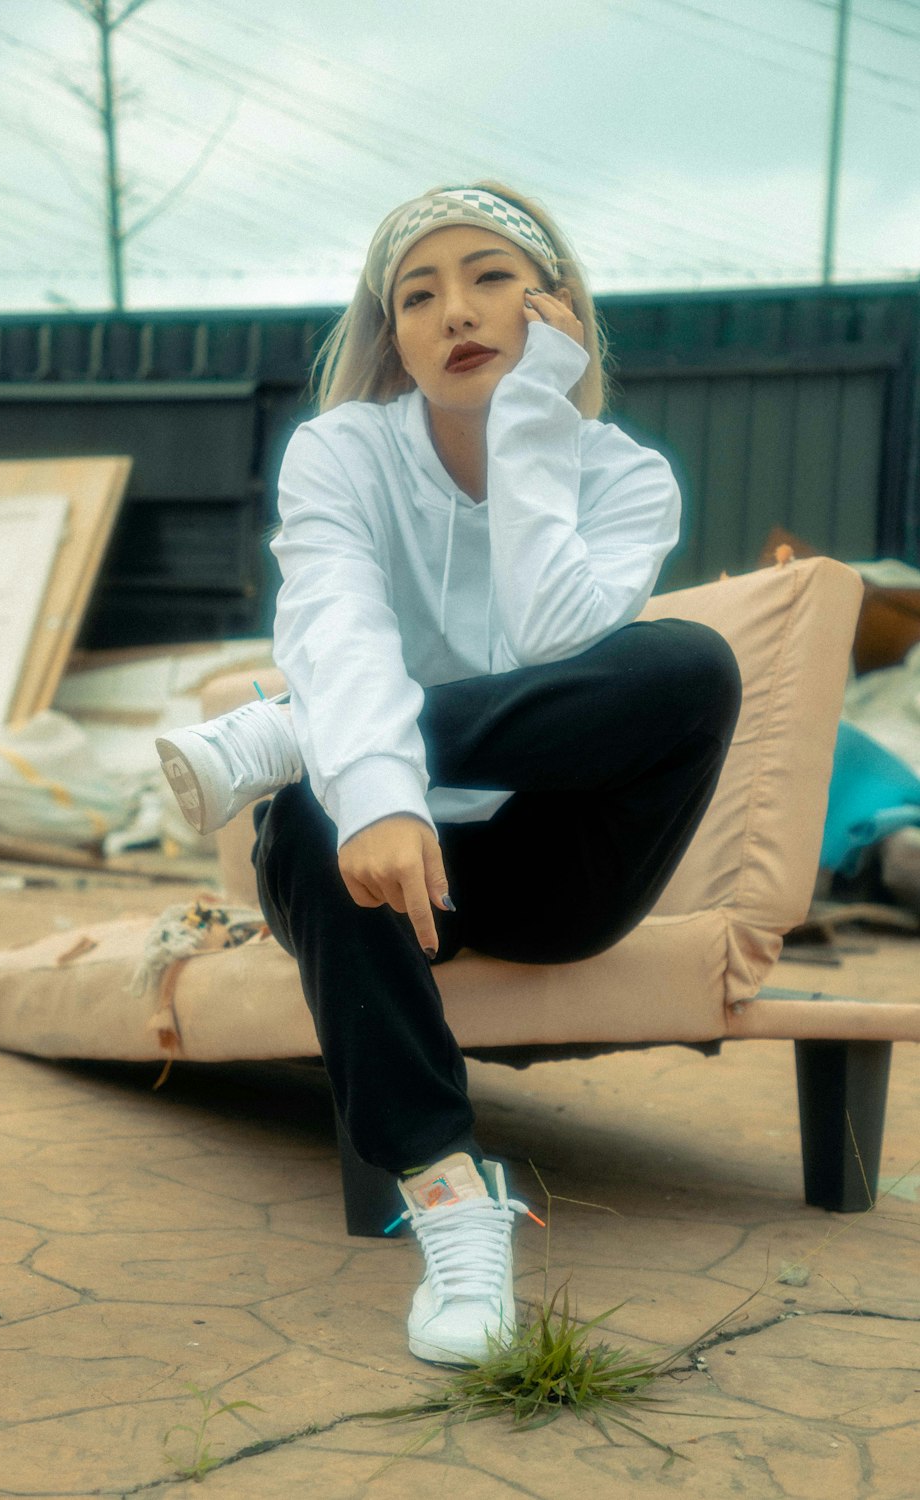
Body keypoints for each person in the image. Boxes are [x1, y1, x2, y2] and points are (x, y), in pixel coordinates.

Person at [156, 183, 742, 1367]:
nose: (455, 312)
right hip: (377, 869)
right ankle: (451, 1207)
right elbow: (337, 623)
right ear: (391, 333)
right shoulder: (342, 454)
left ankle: (290, 736)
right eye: (416, 294)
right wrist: (372, 792)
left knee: (688, 669)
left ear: (553, 303)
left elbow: (551, 640)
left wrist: (531, 417)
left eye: (488, 276)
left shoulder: (624, 477)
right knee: (321, 818)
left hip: (549, 867)